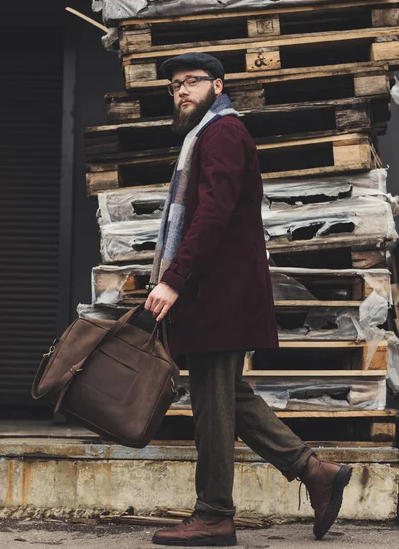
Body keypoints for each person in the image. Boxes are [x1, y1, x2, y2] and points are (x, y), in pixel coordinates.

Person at [145, 52, 352, 547]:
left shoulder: (223, 134)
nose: (181, 92)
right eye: (174, 85)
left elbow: (213, 213)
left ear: (219, 85)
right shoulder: (206, 135)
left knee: (213, 408)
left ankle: (215, 514)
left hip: (222, 293)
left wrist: (173, 277)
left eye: (192, 82)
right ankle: (314, 470)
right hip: (214, 293)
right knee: (224, 399)